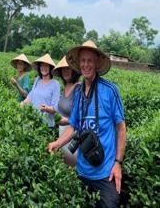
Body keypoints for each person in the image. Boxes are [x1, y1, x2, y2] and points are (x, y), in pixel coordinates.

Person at [48, 41, 126, 208]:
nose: (86, 64)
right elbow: (74, 126)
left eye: (90, 60)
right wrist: (57, 143)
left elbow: (121, 128)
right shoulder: (78, 93)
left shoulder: (110, 90)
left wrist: (118, 163)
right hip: (82, 170)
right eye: (83, 60)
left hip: (105, 173)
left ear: (97, 63)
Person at [52, 55, 81, 166]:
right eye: (63, 69)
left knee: (72, 164)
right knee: (64, 163)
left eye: (68, 68)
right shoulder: (65, 87)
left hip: (73, 133)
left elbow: (80, 117)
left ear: (74, 70)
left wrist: (67, 120)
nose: (65, 71)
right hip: (62, 131)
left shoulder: (78, 88)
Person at [20, 54, 60, 128]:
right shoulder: (37, 80)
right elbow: (30, 96)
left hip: (46, 124)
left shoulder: (55, 84)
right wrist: (22, 103)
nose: (43, 68)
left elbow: (55, 108)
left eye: (46, 66)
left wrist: (46, 108)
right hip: (33, 120)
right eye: (42, 65)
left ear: (50, 68)